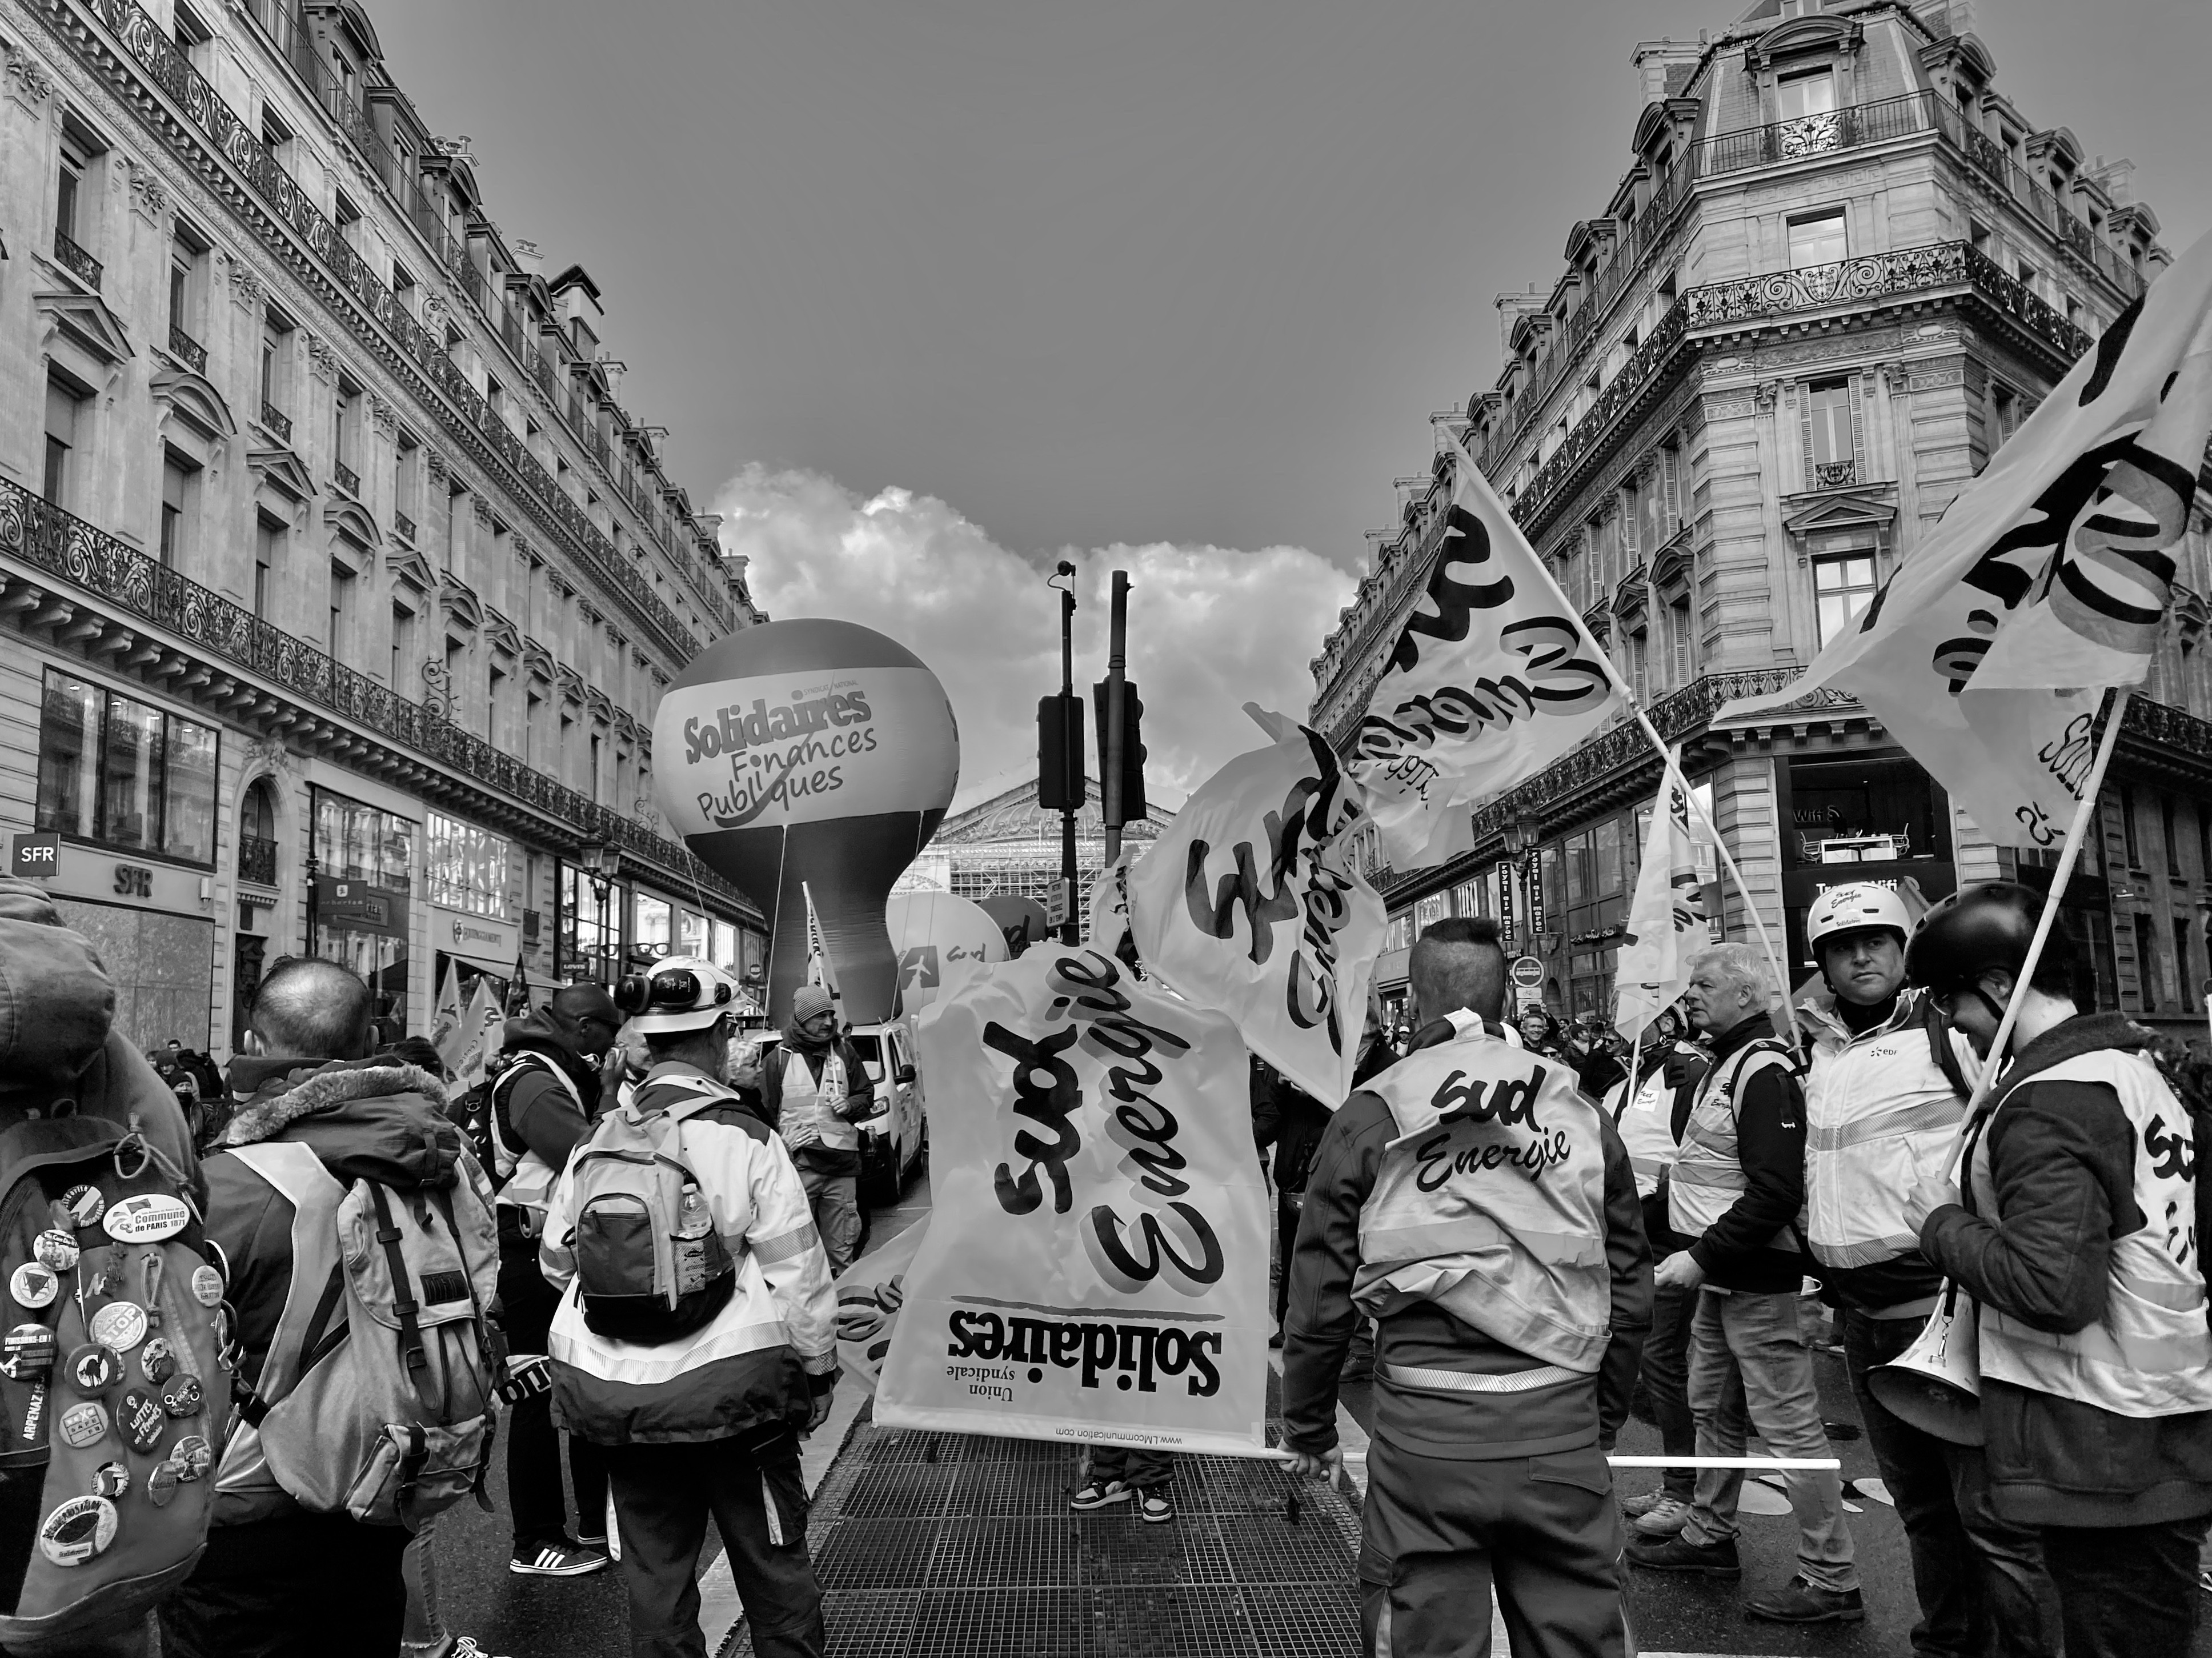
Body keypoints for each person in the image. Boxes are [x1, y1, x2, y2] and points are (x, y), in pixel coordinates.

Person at [1284, 917, 1652, 1658]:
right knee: (1578, 1635)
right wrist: (1599, 1421)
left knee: (1428, 1636)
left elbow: (1319, 1288)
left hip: (1428, 1447)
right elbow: (1627, 1285)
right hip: (1560, 1432)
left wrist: (1310, 1428)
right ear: (1505, 999)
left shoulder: (1374, 1108)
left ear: (1415, 997)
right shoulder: (1576, 1108)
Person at [1904, 882, 2212, 1658]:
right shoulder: (2138, 1069)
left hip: (2099, 1445)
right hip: (2158, 1422)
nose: (1953, 1020)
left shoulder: (2051, 1099)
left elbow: (2052, 1287)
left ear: (2002, 985)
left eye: (1952, 999)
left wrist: (1939, 1223)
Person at [542, 957, 840, 1658]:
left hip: (622, 1408)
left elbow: (558, 1260)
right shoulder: (746, 1136)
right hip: (737, 1403)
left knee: (655, 1578)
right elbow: (798, 1270)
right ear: (717, 1035)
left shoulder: (596, 1140)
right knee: (773, 1566)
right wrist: (819, 1372)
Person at [161, 958, 459, 1658]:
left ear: (254, 1045)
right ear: (370, 1042)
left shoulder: (226, 1185)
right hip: (384, 1476)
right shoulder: (442, 1160)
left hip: (250, 1510)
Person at [1797, 883, 2058, 1657]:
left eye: (1877, 939)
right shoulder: (1820, 1047)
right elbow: (1828, 1172)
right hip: (1862, 1319)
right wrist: (1818, 1286)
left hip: (1945, 1310)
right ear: (1823, 964)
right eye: (1842, 946)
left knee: (1994, 1519)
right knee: (1921, 1509)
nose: (1860, 955)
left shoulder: (1948, 1030)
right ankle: (1947, 1644)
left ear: (1905, 946)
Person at [1627, 943, 1861, 1624]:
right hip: (1724, 1276)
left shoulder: (1760, 1069)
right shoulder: (1729, 1062)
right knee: (1713, 1411)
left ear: (1746, 995)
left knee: (1789, 1433)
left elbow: (1773, 1191)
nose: (1689, 994)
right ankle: (1708, 1535)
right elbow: (1701, 1177)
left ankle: (1831, 1578)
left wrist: (1697, 1258)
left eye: (1702, 984)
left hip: (1754, 1281)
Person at [479, 984, 626, 1577]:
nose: (610, 1050)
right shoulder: (534, 1082)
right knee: (538, 1394)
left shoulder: (554, 1073)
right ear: (586, 1030)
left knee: (580, 1382)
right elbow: (588, 1156)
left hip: (553, 1249)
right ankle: (535, 1539)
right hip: (527, 1254)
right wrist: (613, 1094)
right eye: (606, 1038)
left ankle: (594, 1522)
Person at [1605, 1003, 1715, 1540]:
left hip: (1672, 1241)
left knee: (1664, 1363)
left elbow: (1699, 1156)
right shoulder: (1625, 1076)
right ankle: (1679, 1480)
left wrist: (1657, 1201)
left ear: (1664, 1020)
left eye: (1633, 1011)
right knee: (1655, 1362)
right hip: (1634, 1241)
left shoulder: (1688, 1072)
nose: (1618, 1018)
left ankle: (1683, 1491)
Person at [748, 986, 873, 1275]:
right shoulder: (777, 1060)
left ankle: (844, 1313)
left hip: (841, 1169)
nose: (828, 1022)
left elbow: (867, 1095)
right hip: (798, 1169)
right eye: (819, 1016)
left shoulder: (844, 1052)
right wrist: (783, 1144)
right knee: (799, 1254)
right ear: (802, 1019)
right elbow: (761, 1118)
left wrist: (851, 1104)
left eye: (831, 1015)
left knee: (842, 1252)